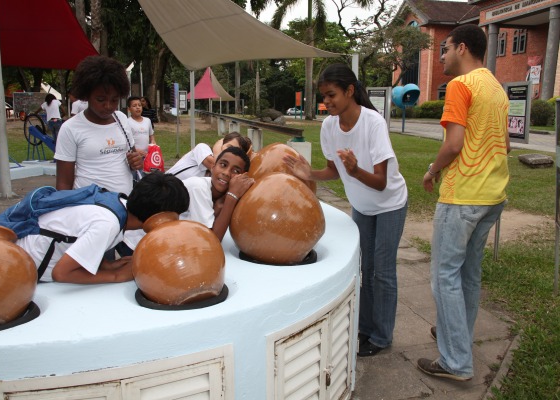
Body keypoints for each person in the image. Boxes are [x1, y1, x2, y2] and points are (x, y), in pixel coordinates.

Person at [284, 63, 408, 357]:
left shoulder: (373, 123)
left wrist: (354, 170)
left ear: (350, 91)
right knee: (364, 269)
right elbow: (332, 170)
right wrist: (308, 174)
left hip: (390, 204)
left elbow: (379, 182)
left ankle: (381, 336)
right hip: (362, 208)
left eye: (331, 95)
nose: (326, 102)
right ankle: (365, 329)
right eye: (323, 97)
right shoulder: (329, 126)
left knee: (383, 272)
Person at [418, 24, 510, 381]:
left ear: (462, 48)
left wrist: (431, 170)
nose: (442, 55)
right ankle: (456, 338)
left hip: (463, 197)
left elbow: (454, 144)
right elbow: (506, 144)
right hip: (493, 196)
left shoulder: (460, 85)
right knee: (468, 275)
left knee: (445, 277)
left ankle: (455, 362)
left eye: (446, 48)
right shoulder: (495, 88)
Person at [14, 172, 189, 284]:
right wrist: (116, 276)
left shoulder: (117, 204)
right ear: (158, 217)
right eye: (175, 217)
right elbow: (61, 274)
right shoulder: (108, 224)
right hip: (24, 273)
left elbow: (73, 238)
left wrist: (107, 265)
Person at [54, 55, 143, 194]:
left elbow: (132, 157)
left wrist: (136, 162)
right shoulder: (70, 128)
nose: (108, 106)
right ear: (87, 95)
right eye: (100, 99)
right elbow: (63, 183)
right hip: (90, 207)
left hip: (125, 204)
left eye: (114, 100)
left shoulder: (121, 119)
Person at [179, 146, 254, 242]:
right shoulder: (198, 187)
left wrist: (222, 203)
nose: (226, 173)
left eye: (236, 171)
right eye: (223, 165)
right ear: (213, 167)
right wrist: (232, 197)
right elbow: (211, 241)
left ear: (242, 178)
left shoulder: (221, 198)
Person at [126, 96, 156, 160]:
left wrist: (153, 142)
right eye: (134, 106)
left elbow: (151, 135)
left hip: (147, 155)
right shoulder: (127, 122)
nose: (137, 107)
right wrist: (136, 150)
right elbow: (126, 142)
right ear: (129, 109)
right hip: (134, 156)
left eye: (139, 105)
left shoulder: (147, 120)